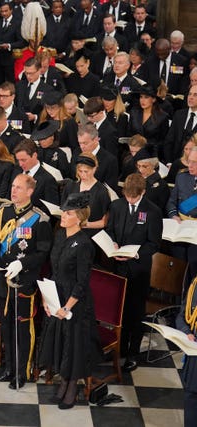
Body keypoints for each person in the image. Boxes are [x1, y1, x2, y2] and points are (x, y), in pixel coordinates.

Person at [38, 192, 100, 410]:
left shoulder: (84, 244)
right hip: (58, 297)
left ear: (80, 217)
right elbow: (54, 270)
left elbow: (82, 282)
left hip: (76, 304)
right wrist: (48, 299)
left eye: (68, 213)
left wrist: (67, 307)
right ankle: (63, 383)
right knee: (62, 344)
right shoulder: (60, 236)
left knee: (73, 347)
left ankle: (71, 388)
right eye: (63, 211)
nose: (63, 215)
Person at [0, 174, 53, 389]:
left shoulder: (40, 219)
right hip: (2, 280)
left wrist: (23, 263)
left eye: (18, 188)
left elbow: (43, 253)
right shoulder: (4, 211)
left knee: (22, 331)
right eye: (12, 186)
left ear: (30, 192)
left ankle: (22, 372)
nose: (13, 191)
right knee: (7, 327)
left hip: (23, 282)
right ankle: (8, 368)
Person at [106, 173, 162, 372]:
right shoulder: (117, 206)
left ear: (143, 193)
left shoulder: (152, 212)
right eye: (127, 196)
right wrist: (112, 242)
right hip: (118, 267)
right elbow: (111, 229)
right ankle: (118, 347)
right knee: (118, 310)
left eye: (134, 197)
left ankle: (132, 352)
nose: (130, 200)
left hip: (138, 269)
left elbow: (154, 243)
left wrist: (135, 254)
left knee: (135, 312)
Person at [166, 147, 197, 289]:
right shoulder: (181, 177)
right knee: (178, 269)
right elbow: (172, 202)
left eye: (195, 163)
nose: (190, 166)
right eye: (189, 161)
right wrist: (174, 215)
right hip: (181, 230)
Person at [61, 154, 111, 237]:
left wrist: (85, 224)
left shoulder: (101, 192)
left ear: (94, 169)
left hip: (90, 235)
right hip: (70, 232)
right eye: (80, 171)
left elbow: (104, 222)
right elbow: (64, 210)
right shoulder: (70, 186)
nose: (83, 175)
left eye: (86, 171)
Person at [13, 139, 60, 213]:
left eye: (23, 160)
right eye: (18, 160)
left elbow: (51, 210)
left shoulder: (47, 179)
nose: (20, 164)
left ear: (34, 155)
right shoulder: (16, 170)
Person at [175, 274, 197, 427]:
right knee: (191, 400)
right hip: (194, 362)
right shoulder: (195, 284)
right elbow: (182, 316)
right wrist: (186, 331)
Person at [128, 84, 170, 162]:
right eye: (141, 97)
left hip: (152, 155)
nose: (142, 100)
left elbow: (163, 141)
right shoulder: (134, 112)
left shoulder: (162, 117)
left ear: (153, 99)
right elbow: (129, 133)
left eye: (146, 97)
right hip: (133, 153)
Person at [73, 123, 120, 192]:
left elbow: (110, 188)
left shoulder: (110, 160)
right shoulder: (76, 152)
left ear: (95, 140)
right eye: (80, 143)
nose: (82, 146)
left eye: (85, 143)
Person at [0, 2, 24, 85]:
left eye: (6, 11)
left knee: (10, 82)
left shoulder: (17, 23)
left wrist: (9, 45)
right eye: (2, 11)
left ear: (11, 10)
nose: (4, 13)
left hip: (10, 59)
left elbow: (22, 42)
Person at [164, 84, 197, 163]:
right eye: (190, 94)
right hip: (174, 163)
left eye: (195, 95)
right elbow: (169, 141)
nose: (191, 97)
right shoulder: (179, 114)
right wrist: (169, 162)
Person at [134, 146, 170, 213]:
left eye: (145, 166)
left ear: (153, 165)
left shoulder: (162, 185)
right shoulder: (134, 178)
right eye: (138, 166)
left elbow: (160, 209)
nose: (141, 170)